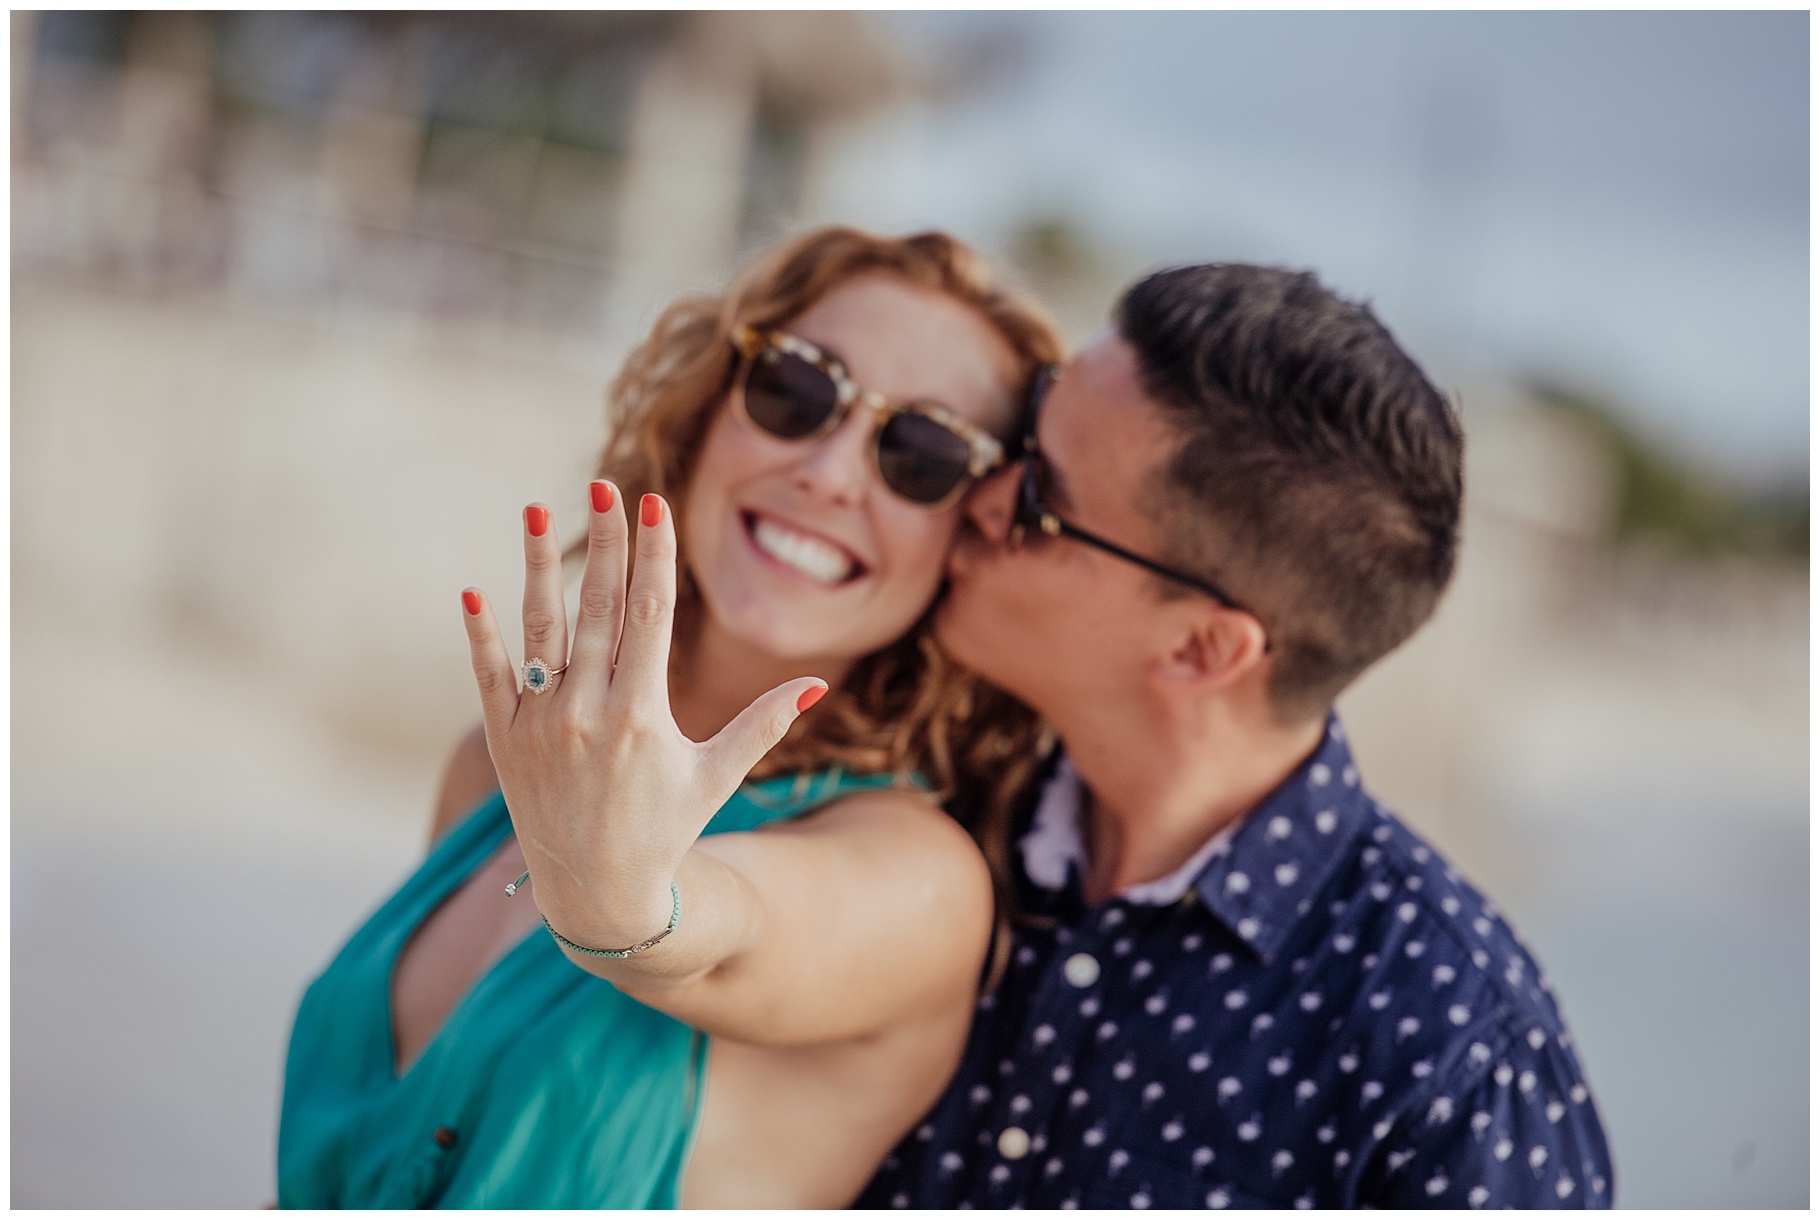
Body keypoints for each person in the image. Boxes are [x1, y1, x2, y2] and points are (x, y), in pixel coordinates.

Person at [276, 227, 1064, 1208]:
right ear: (703, 408)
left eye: (923, 451)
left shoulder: (921, 881)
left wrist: (620, 893)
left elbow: (726, 926)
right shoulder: (493, 766)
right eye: (798, 386)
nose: (828, 469)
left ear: (971, 533)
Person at [857, 264, 1614, 1208]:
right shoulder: (912, 796)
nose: (979, 492)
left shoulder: (1451, 1055)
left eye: (1039, 497)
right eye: (1024, 430)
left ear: (1202, 646)